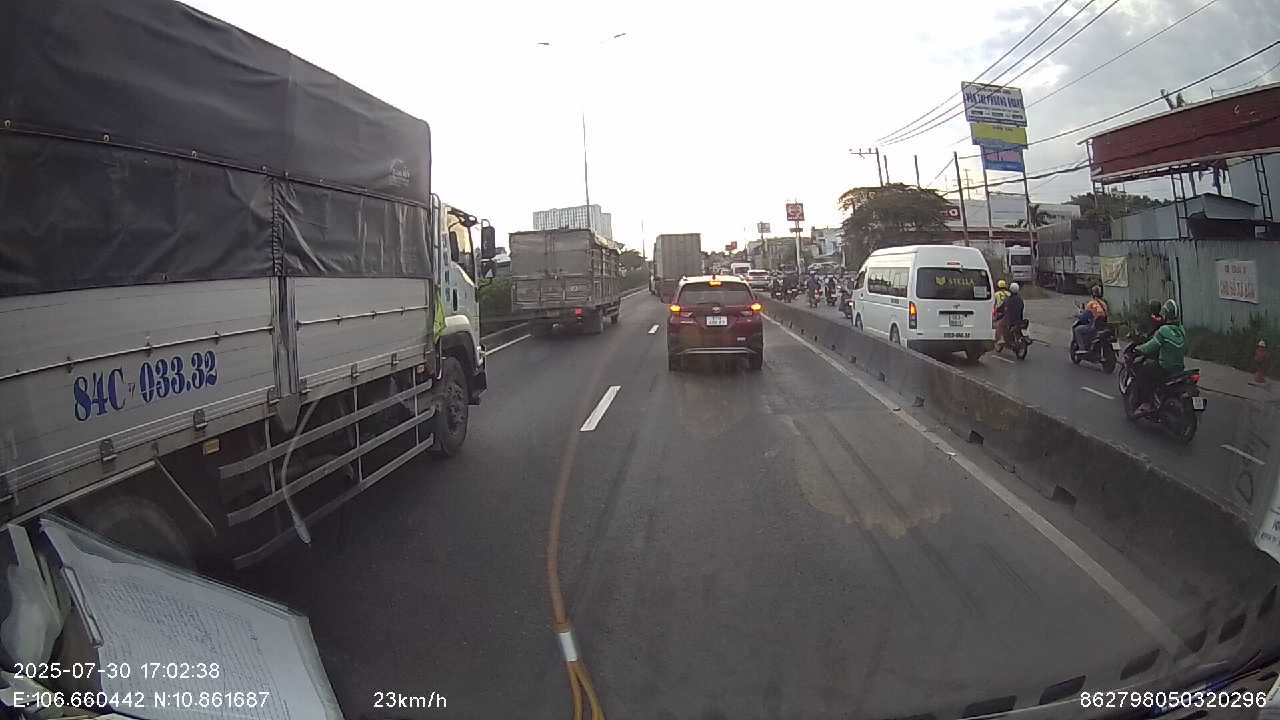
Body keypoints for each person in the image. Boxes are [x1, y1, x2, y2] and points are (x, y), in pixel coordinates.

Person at [1130, 299, 1186, 414]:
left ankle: (1146, 403)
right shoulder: (1181, 330)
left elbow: (1150, 346)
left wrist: (1138, 349)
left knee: (1143, 373)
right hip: (1179, 368)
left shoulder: (1164, 330)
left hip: (1165, 367)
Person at [1073, 285, 1109, 355]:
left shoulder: (1091, 304)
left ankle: (1082, 348)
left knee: (1077, 330)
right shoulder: (1103, 304)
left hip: (1094, 326)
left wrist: (1078, 315)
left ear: (1092, 294)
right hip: (1103, 326)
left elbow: (1084, 317)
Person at [998, 282, 1026, 351]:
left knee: (1000, 324)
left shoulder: (1008, 299)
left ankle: (1001, 339)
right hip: (1019, 319)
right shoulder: (1020, 299)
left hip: (1010, 320)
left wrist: (998, 310)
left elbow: (1002, 308)